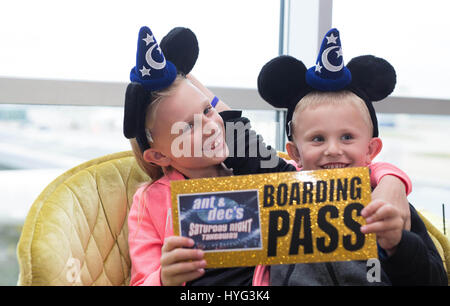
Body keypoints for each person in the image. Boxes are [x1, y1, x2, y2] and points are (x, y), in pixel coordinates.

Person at [124, 26, 416, 286]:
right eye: (187, 127)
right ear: (159, 156)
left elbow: (326, 176)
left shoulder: (258, 170)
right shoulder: (150, 201)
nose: (209, 128)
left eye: (207, 111)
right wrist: (164, 278)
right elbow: (141, 279)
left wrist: (391, 179)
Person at [256, 28, 447, 285]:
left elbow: (433, 279)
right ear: (295, 153)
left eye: (347, 137)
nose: (333, 149)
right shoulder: (275, 199)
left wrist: (399, 245)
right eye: (318, 138)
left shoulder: (386, 206)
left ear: (370, 150)